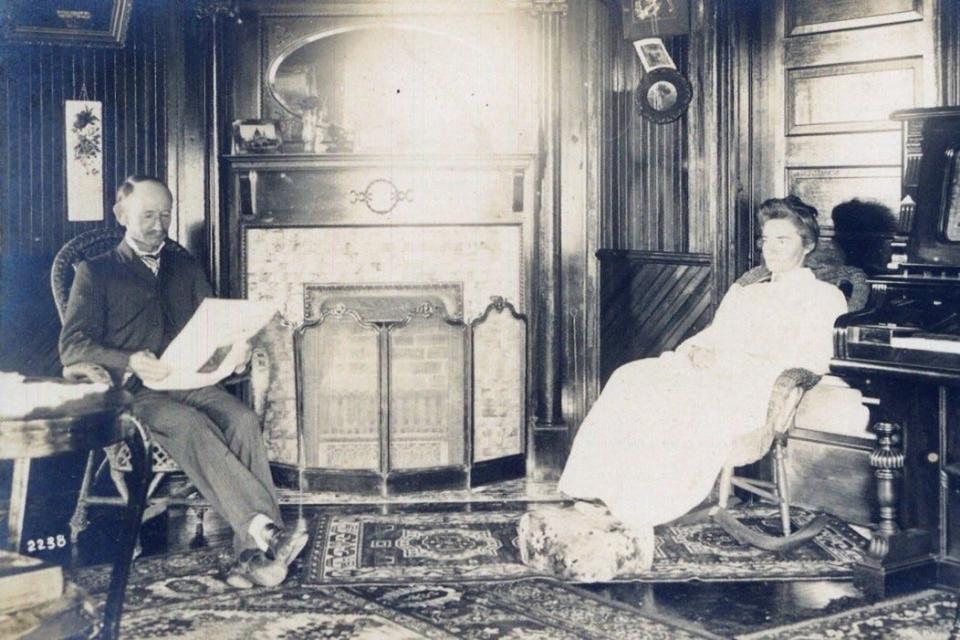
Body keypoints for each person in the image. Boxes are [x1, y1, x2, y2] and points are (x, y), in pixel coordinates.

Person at [558, 195, 848, 558]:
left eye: (782, 240)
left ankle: (641, 505)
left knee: (681, 401)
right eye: (766, 240)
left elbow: (813, 359)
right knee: (631, 377)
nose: (770, 249)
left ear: (806, 245)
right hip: (718, 371)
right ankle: (599, 491)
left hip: (760, 387)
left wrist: (736, 363)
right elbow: (713, 333)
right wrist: (694, 350)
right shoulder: (747, 291)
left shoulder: (824, 297)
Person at [59, 175, 307, 588]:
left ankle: (252, 554)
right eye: (147, 216)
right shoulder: (95, 272)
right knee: (191, 425)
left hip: (188, 380)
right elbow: (73, 347)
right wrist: (130, 361)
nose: (158, 225)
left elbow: (214, 327)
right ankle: (266, 536)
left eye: (165, 215)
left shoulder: (186, 266)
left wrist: (235, 352)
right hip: (133, 392)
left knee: (242, 418)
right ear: (122, 215)